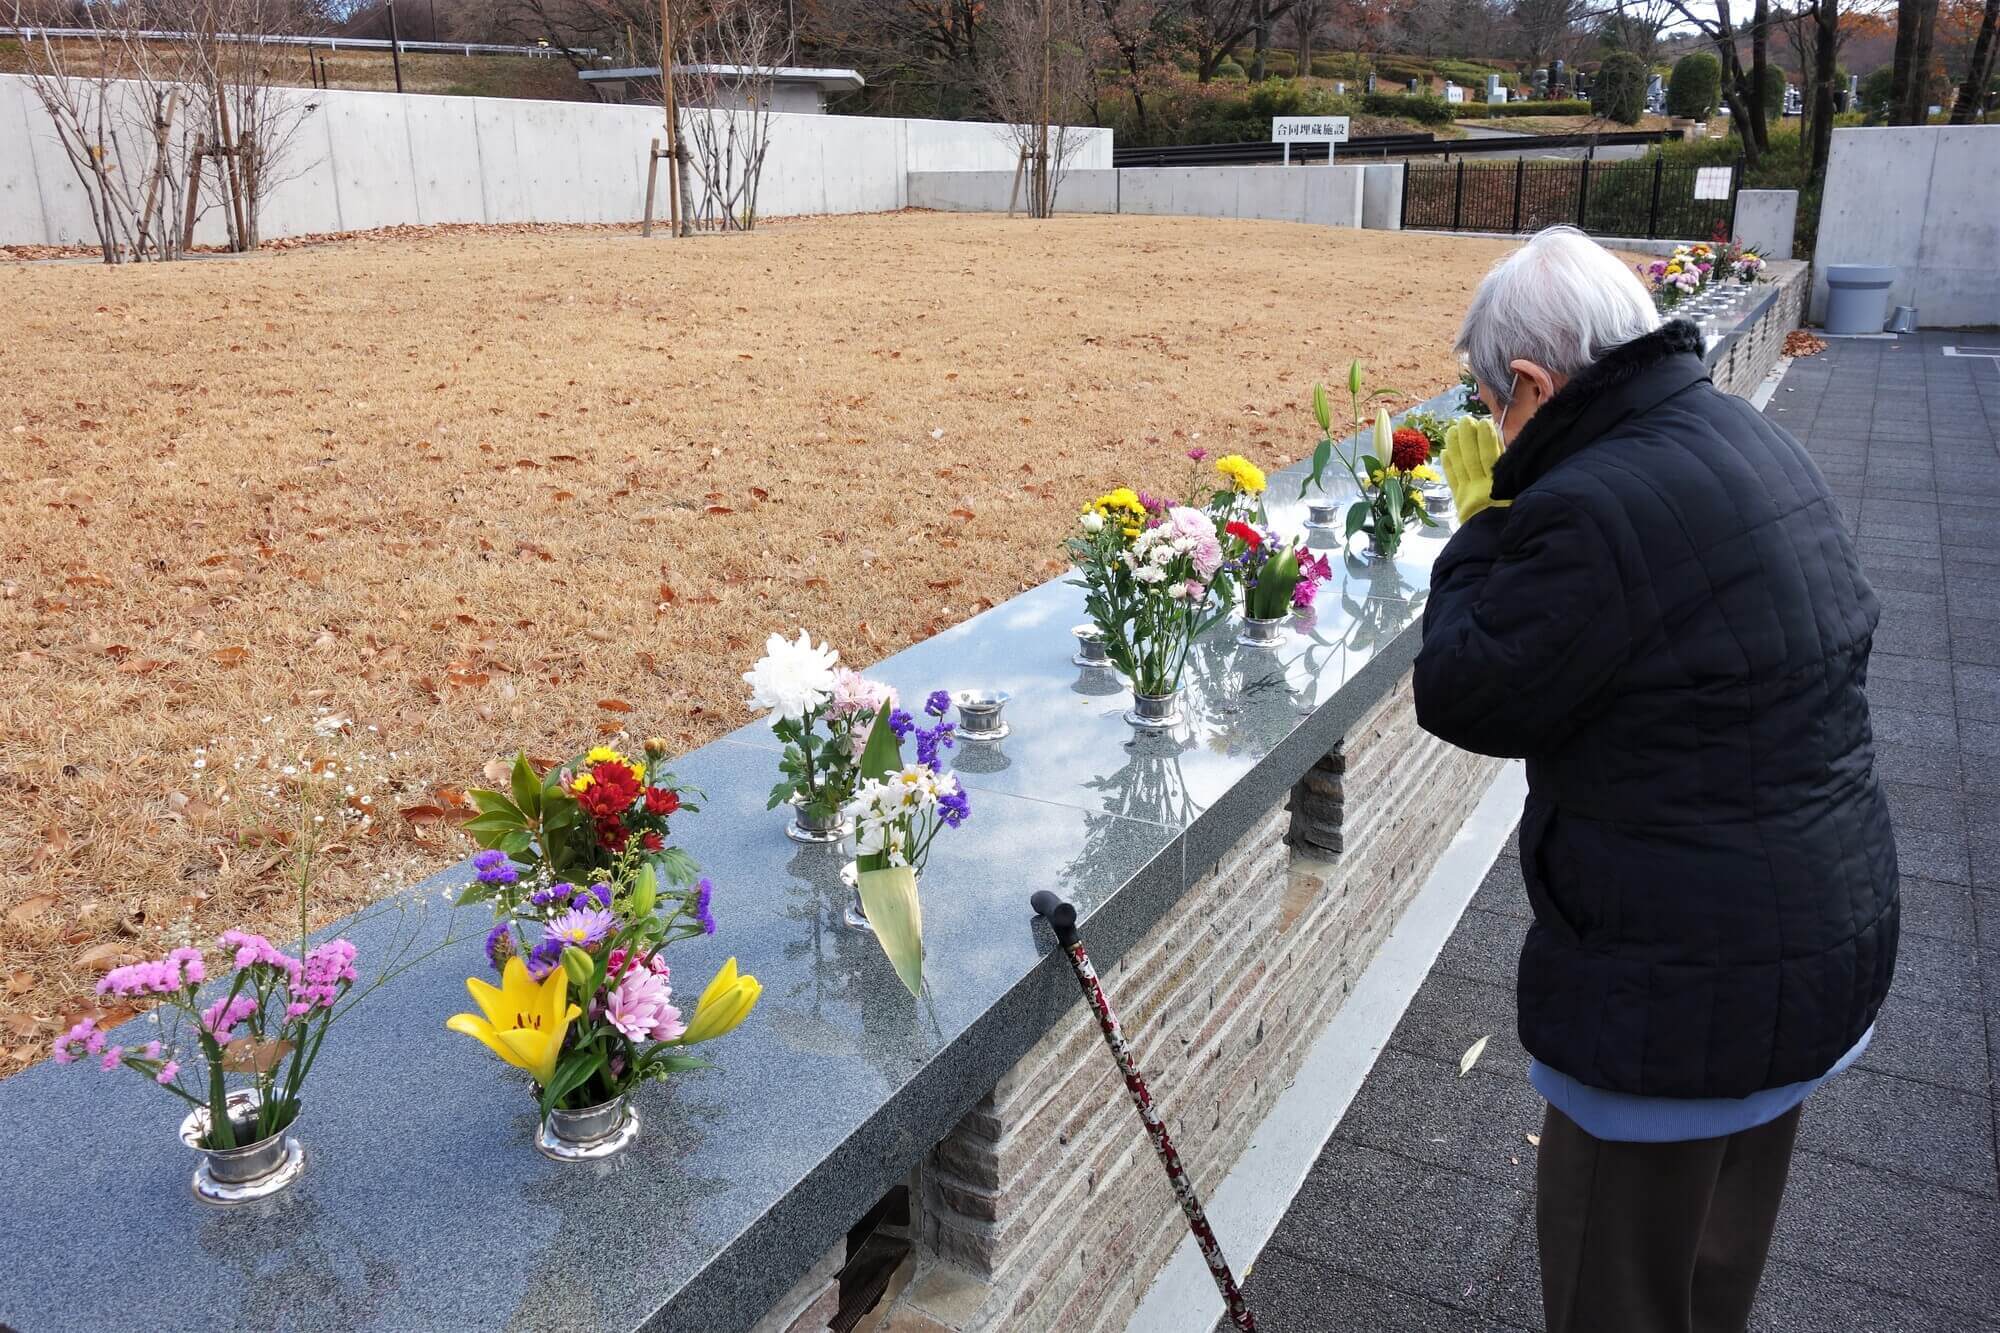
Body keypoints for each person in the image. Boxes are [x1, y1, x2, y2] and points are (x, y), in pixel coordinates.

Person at [1414, 227, 1899, 1333]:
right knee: (1708, 1271)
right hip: (1808, 947)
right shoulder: (1733, 432)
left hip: (1678, 999)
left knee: (1615, 1290)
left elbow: (1463, 689)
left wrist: (1482, 523)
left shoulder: (1592, 506)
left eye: (1494, 405)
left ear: (1530, 383)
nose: (1493, 425)